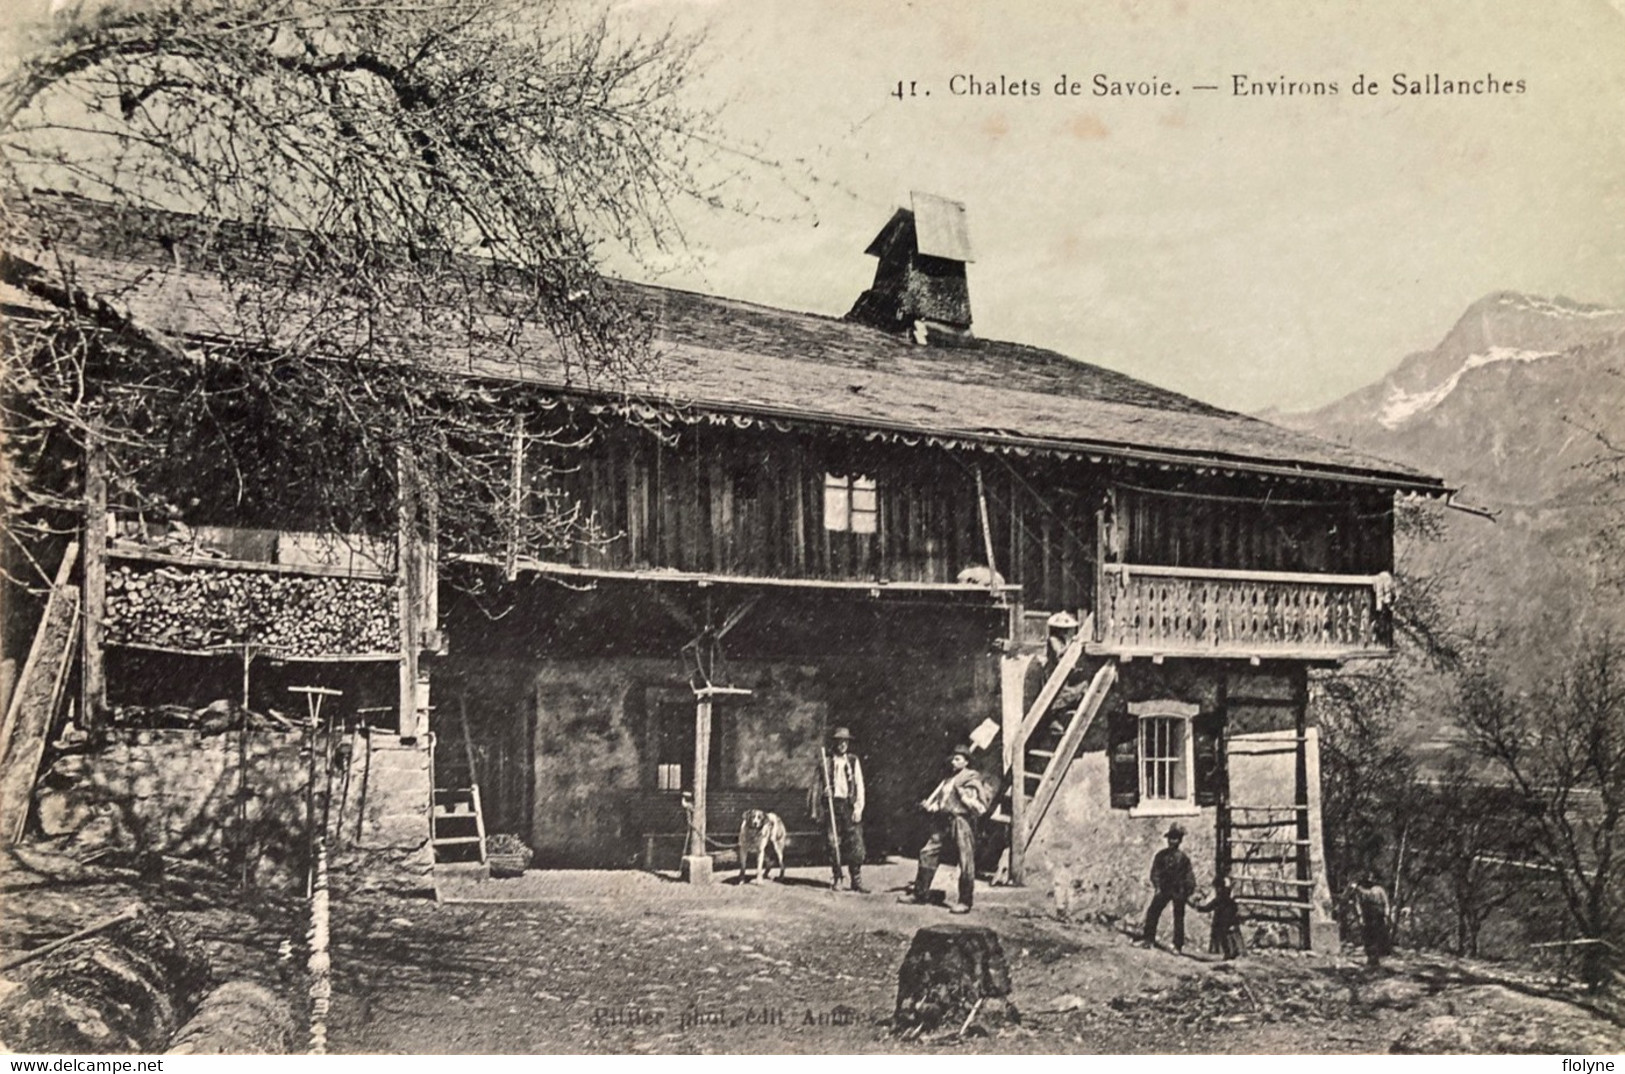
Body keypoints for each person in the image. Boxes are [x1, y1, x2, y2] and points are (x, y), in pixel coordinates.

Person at [898, 746, 992, 914]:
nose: (953, 761)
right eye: (953, 758)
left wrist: (964, 796)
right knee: (928, 852)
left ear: (966, 762)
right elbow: (943, 803)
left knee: (965, 860)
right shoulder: (949, 779)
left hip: (961, 821)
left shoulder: (970, 778)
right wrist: (930, 806)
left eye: (958, 759)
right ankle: (920, 893)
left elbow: (979, 806)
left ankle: (965, 901)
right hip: (944, 820)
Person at [809, 726, 868, 892]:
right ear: (835, 743)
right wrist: (824, 792)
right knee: (833, 843)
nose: (843, 745)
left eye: (846, 742)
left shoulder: (853, 761)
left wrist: (858, 809)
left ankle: (856, 880)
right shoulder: (826, 761)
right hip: (832, 807)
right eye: (840, 742)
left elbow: (859, 785)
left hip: (848, 807)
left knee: (855, 843)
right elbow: (816, 786)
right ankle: (837, 877)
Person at [1140, 824, 1198, 952]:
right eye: (1171, 838)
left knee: (1178, 917)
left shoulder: (1184, 859)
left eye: (1176, 838)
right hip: (1164, 888)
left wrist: (1188, 891)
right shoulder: (1161, 856)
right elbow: (1155, 872)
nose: (1173, 841)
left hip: (1179, 890)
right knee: (1153, 912)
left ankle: (1178, 945)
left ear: (1180, 841)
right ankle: (1148, 938)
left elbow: (1189, 876)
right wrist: (1157, 886)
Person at [1342, 871, 1393, 967]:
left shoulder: (1379, 890)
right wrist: (1360, 916)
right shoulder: (1360, 891)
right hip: (1367, 915)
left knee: (1378, 936)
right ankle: (1370, 958)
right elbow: (1357, 904)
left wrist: (1387, 915)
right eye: (1368, 878)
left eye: (1371, 878)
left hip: (1378, 915)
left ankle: (1376, 959)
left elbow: (1386, 903)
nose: (1370, 880)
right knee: (1368, 937)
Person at [1191, 879, 1245, 960]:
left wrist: (1198, 906)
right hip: (1231, 918)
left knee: (1223, 936)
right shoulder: (1228, 897)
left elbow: (1207, 908)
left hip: (1222, 920)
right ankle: (1234, 952)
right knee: (1230, 936)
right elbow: (1234, 907)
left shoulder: (1219, 898)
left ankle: (1228, 953)